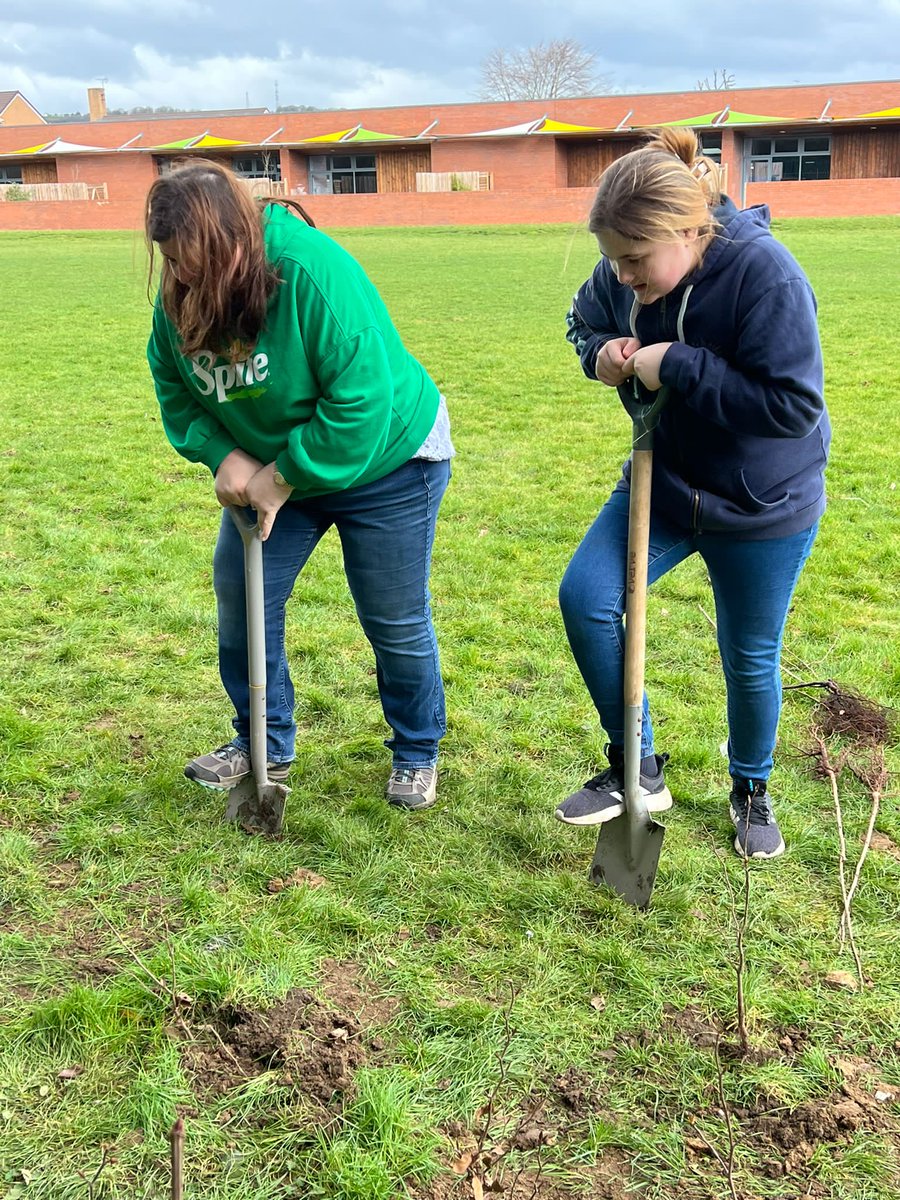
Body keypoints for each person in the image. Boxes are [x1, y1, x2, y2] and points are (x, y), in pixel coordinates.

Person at [145, 159, 453, 812]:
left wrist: (283, 476)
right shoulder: (181, 285)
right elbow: (171, 381)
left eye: (192, 262)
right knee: (243, 594)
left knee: (392, 617)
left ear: (233, 240)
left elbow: (360, 404)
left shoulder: (311, 272)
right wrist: (220, 454)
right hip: (269, 467)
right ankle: (263, 741)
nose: (181, 277)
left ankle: (417, 750)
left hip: (389, 459)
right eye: (171, 263)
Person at [555, 128, 829, 859]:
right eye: (613, 260)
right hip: (665, 486)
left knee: (748, 654)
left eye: (636, 260)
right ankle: (636, 766)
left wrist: (677, 362)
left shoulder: (763, 276)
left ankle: (750, 788)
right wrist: (602, 355)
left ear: (686, 229)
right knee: (585, 597)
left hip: (762, 506)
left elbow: (791, 408)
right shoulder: (622, 271)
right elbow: (582, 320)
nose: (623, 277)